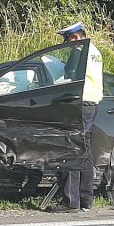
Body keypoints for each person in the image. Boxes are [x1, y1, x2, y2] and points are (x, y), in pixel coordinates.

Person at [47, 21, 103, 213]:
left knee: (71, 147)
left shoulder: (80, 51)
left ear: (77, 37)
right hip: (93, 102)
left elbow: (70, 75)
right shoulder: (95, 51)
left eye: (69, 39)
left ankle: (70, 201)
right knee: (84, 150)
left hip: (79, 102)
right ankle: (86, 199)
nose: (68, 43)